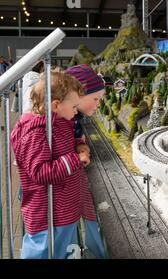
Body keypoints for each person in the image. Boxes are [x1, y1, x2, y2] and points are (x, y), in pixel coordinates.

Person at [10, 71, 90, 259]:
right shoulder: (37, 134)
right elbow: (40, 172)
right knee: (43, 252)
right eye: (74, 106)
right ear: (56, 105)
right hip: (49, 217)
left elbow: (65, 144)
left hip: (63, 210)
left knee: (62, 252)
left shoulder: (58, 122)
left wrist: (79, 144)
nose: (76, 111)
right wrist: (75, 159)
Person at [65, 64, 107, 259]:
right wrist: (78, 155)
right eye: (95, 98)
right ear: (78, 96)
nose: (98, 104)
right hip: (59, 199)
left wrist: (80, 146)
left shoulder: (74, 119)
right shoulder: (63, 121)